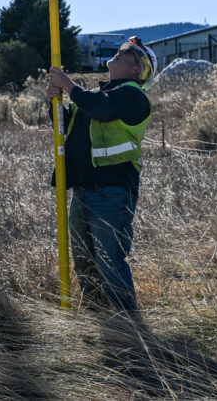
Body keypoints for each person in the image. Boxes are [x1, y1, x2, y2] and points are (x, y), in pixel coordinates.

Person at [46, 36, 156, 314]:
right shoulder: (100, 97)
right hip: (83, 191)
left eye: (127, 52)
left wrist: (69, 85)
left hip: (111, 192)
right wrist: (55, 104)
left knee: (109, 259)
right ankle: (99, 317)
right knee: (84, 259)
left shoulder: (133, 96)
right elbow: (69, 127)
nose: (120, 52)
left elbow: (102, 107)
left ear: (136, 70)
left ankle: (128, 327)